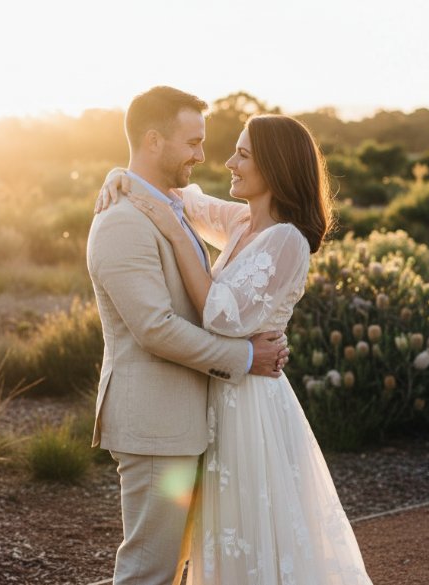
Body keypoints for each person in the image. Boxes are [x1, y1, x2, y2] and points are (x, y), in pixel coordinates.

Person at [96, 112, 375, 584]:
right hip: (218, 400)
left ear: (275, 167)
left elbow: (220, 314)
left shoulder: (286, 239)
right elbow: (187, 199)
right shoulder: (244, 221)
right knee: (215, 542)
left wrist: (169, 227)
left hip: (251, 405)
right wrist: (120, 175)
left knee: (254, 534)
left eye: (242, 154)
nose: (228, 162)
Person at [86, 86, 291, 585]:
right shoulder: (121, 223)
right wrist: (244, 356)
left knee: (180, 568)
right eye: (193, 142)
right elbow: (156, 330)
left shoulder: (173, 205)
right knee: (147, 571)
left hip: (189, 423)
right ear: (154, 141)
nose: (204, 156)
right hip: (156, 426)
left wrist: (120, 175)